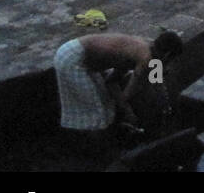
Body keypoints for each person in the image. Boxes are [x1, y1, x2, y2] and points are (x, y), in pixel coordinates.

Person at [54, 30, 183, 140]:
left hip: (81, 59)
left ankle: (96, 142)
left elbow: (112, 82)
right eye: (172, 60)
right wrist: (129, 114)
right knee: (96, 113)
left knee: (106, 105)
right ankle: (97, 152)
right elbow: (127, 95)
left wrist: (166, 108)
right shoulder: (146, 59)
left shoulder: (144, 52)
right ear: (167, 55)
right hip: (72, 60)